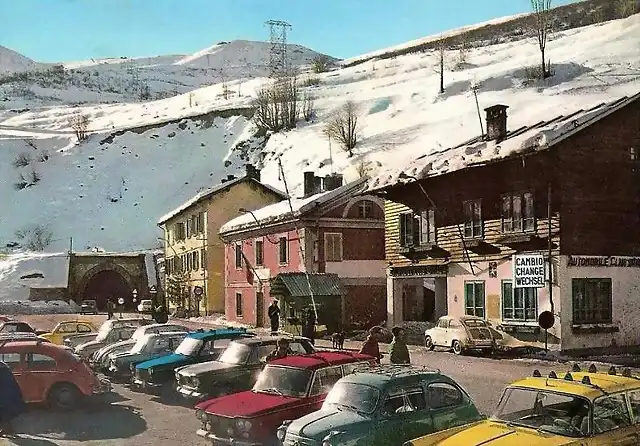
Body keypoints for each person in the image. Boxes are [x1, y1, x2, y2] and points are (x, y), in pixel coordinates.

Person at [0, 361, 26, 437]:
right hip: (9, 393)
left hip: (5, 394)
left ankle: (7, 429)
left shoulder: (2, 368)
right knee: (5, 413)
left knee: (4, 412)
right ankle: (8, 429)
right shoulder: (3, 366)